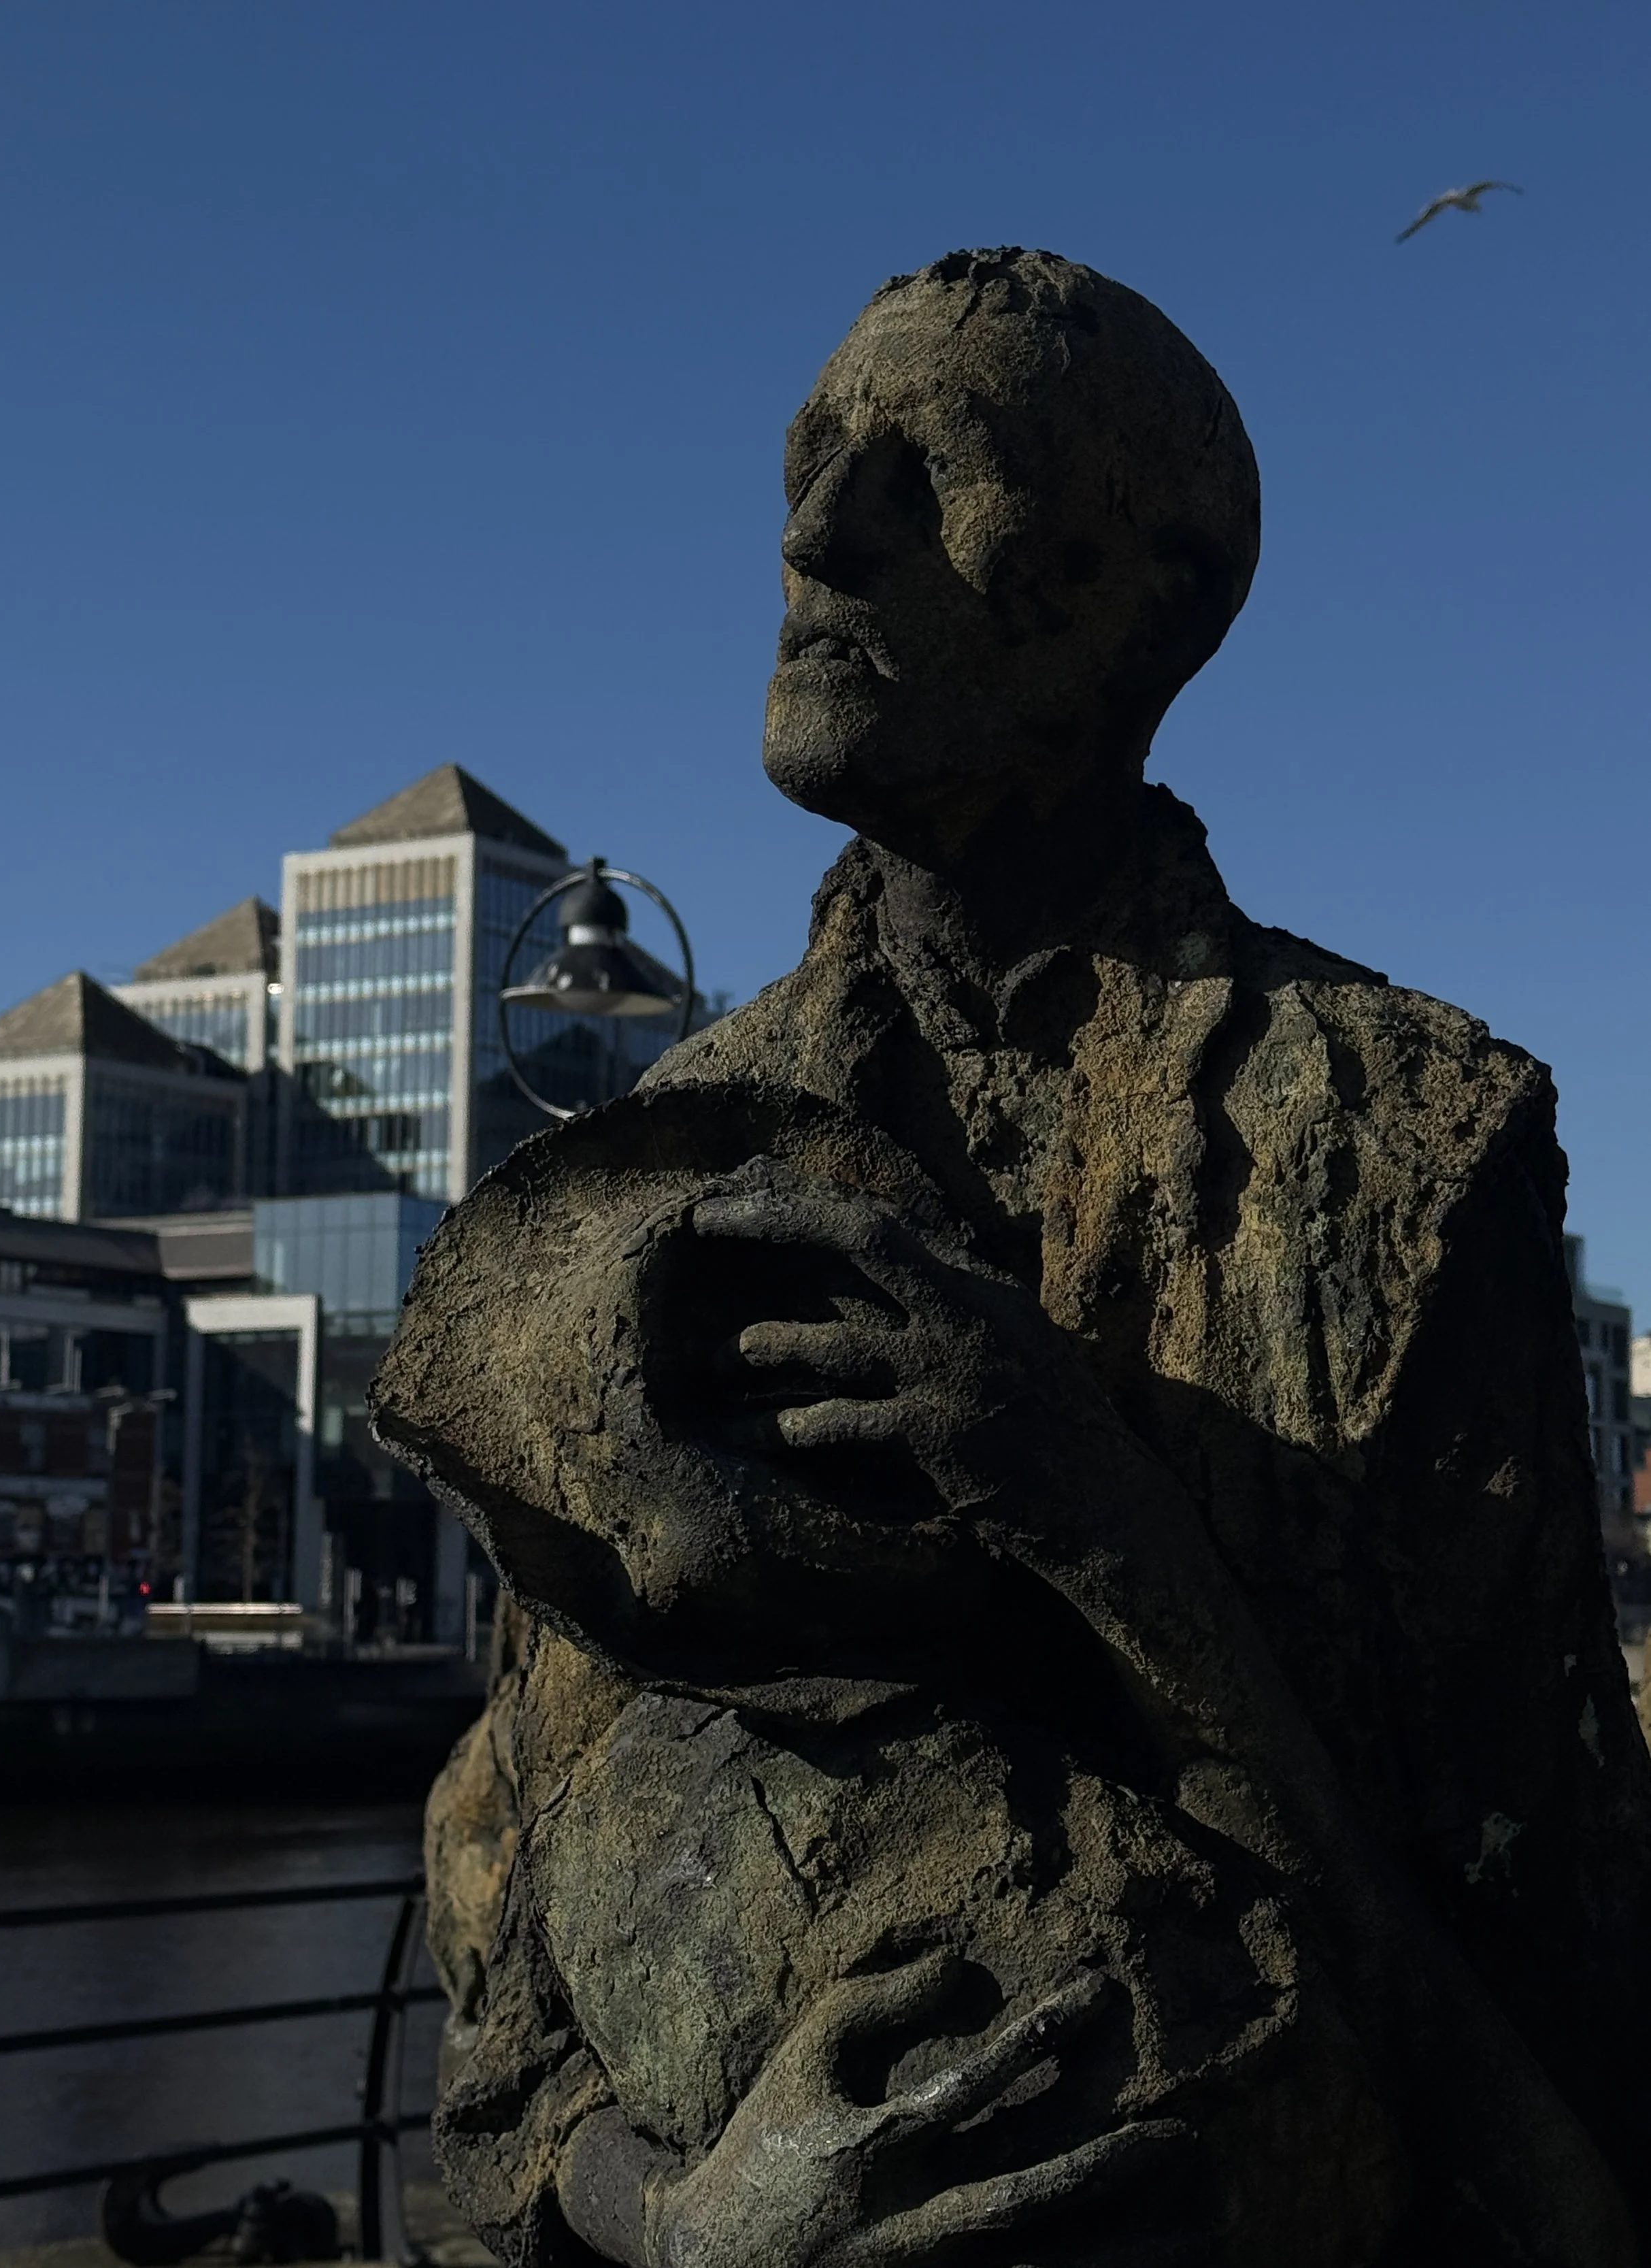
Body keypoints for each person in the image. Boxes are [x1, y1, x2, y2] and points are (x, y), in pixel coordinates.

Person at [378, 249, 1651, 2265]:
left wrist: (1107, 1539)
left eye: (926, 468)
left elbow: (1553, 2011)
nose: (813, 535)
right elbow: (508, 2012)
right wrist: (689, 2213)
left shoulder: (1408, 1140)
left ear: (1151, 591)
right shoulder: (635, 1174)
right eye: (809, 459)